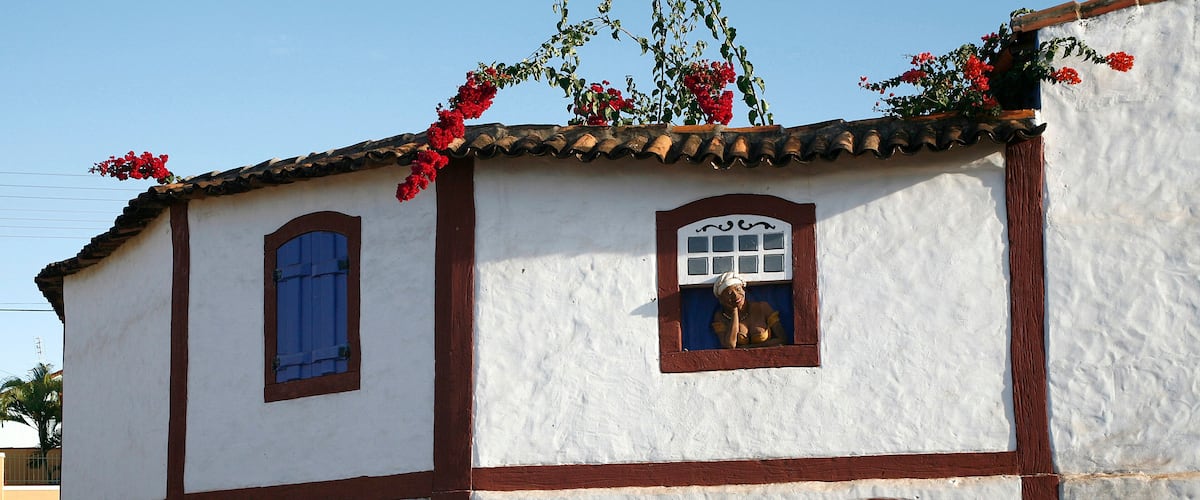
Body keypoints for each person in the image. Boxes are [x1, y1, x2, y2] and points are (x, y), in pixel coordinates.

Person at [710, 272, 785, 348]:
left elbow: (782, 340)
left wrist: (752, 347)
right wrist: (734, 311)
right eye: (729, 293)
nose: (735, 295)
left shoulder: (762, 308)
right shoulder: (720, 317)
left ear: (744, 290)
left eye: (738, 289)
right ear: (721, 300)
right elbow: (730, 345)